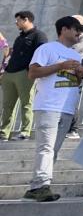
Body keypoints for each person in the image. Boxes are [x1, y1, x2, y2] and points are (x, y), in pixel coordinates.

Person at [23, 16, 83, 202]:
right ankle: (41, 185)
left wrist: (78, 74)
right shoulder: (47, 48)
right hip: (47, 106)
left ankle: (37, 185)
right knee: (46, 147)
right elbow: (33, 72)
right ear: (63, 29)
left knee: (53, 148)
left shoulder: (77, 55)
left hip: (67, 109)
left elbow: (74, 82)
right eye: (76, 28)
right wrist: (60, 66)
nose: (79, 32)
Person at [1, 10, 48, 140]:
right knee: (7, 105)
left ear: (26, 19)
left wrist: (31, 70)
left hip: (24, 73)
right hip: (9, 73)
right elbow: (12, 55)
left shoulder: (39, 35)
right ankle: (3, 132)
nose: (16, 23)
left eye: (18, 20)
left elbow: (42, 54)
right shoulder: (19, 37)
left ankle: (25, 132)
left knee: (26, 103)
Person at [64, 14, 83, 140]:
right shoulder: (66, 38)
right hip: (62, 71)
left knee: (70, 99)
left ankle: (73, 129)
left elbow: (74, 50)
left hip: (73, 71)